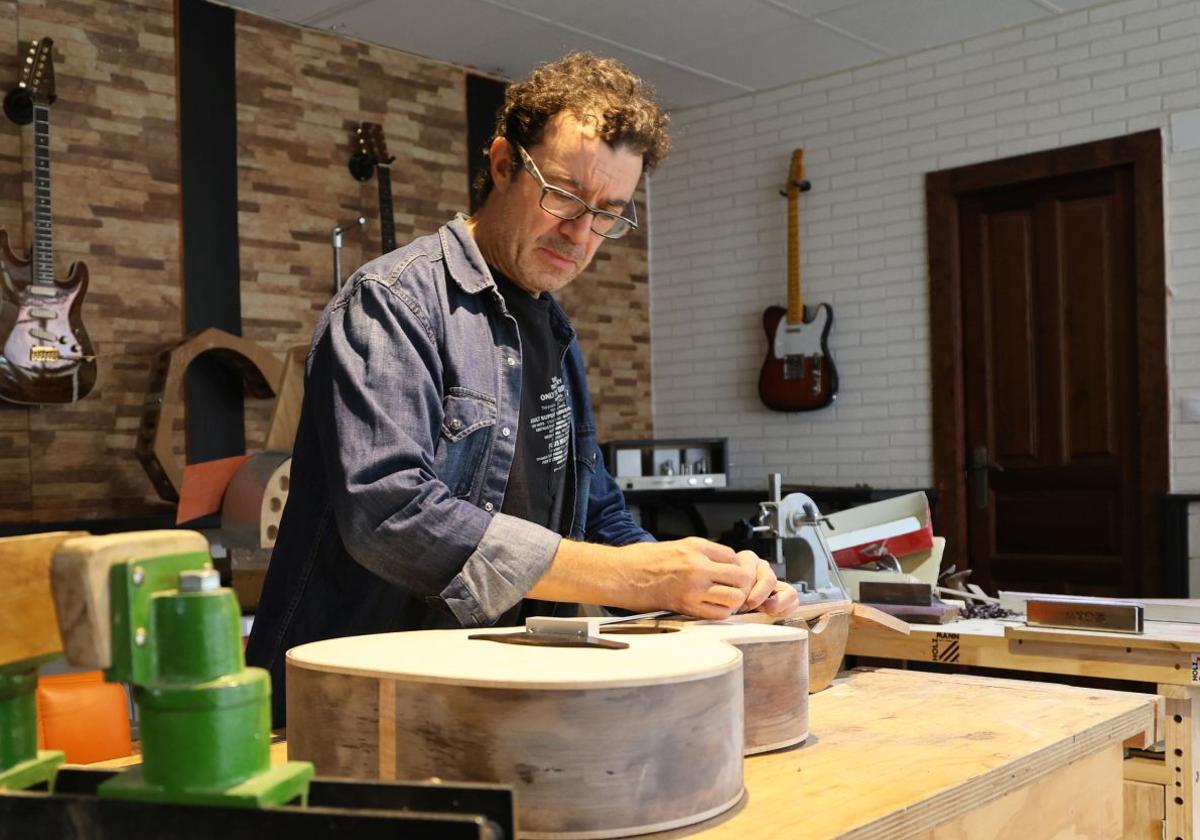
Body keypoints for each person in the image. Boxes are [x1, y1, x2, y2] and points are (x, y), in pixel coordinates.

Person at [246, 52, 798, 726]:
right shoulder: (393, 302)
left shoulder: (555, 334)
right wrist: (630, 578)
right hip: (354, 704)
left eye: (608, 214)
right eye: (564, 194)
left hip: (496, 698)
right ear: (504, 164)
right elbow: (388, 514)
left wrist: (705, 575)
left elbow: (596, 515)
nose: (581, 234)